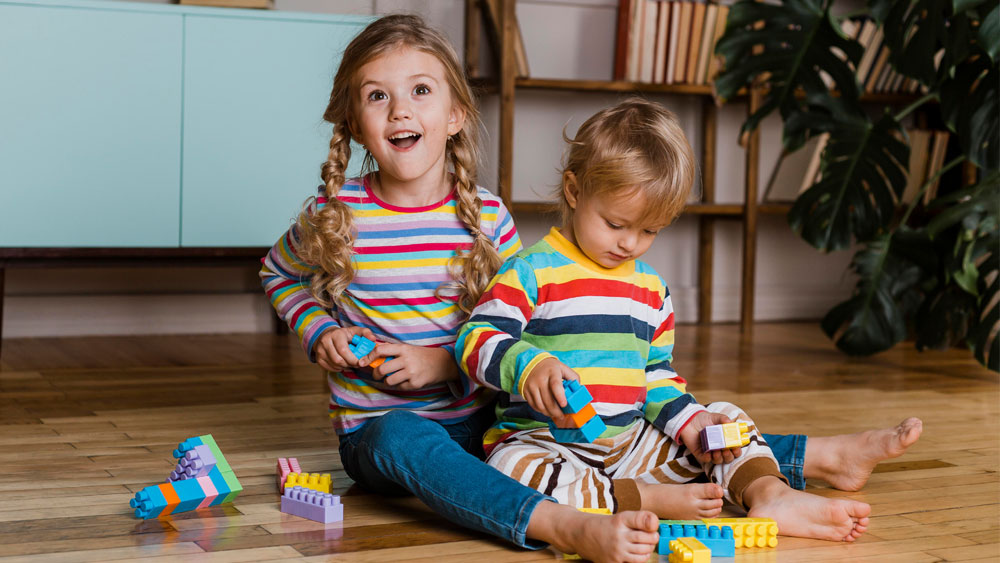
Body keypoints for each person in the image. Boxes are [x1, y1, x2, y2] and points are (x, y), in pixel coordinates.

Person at [261, 14, 922, 563]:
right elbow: (278, 273)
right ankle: (559, 522)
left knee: (618, 424)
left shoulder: (486, 216)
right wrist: (322, 333)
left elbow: (524, 323)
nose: (400, 109)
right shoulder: (335, 213)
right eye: (377, 96)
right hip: (383, 430)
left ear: (458, 113)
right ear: (352, 118)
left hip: (488, 420)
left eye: (421, 91)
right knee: (401, 437)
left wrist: (453, 362)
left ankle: (817, 457)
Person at [455, 98, 886, 543]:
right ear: (574, 190)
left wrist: (691, 423)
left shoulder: (651, 289)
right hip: (545, 443)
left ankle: (768, 492)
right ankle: (641, 499)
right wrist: (530, 367)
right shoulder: (532, 270)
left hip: (628, 448)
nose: (629, 244)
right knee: (510, 470)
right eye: (616, 223)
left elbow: (655, 376)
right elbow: (475, 339)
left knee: (724, 420)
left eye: (649, 231)